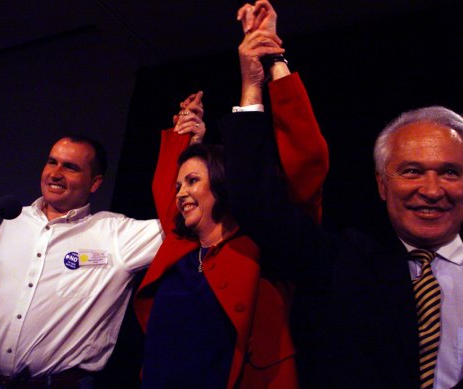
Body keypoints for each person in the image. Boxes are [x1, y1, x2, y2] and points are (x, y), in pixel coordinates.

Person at [222, 94, 463, 387]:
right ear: (382, 184)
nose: (432, 191)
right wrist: (251, 88)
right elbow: (257, 205)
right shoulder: (339, 262)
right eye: (411, 171)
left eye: (449, 172)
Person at [133, 4, 329, 385]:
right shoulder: (180, 246)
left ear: (224, 183)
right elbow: (164, 187)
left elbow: (305, 161)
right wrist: (185, 138)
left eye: (192, 182)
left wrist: (272, 66)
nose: (180, 193)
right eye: (179, 185)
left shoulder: (264, 243)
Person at [0, 135, 164, 388]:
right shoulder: (14, 220)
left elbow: (178, 224)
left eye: (70, 167)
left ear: (95, 182)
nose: (56, 173)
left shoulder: (116, 235)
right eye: (52, 162)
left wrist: (187, 144)